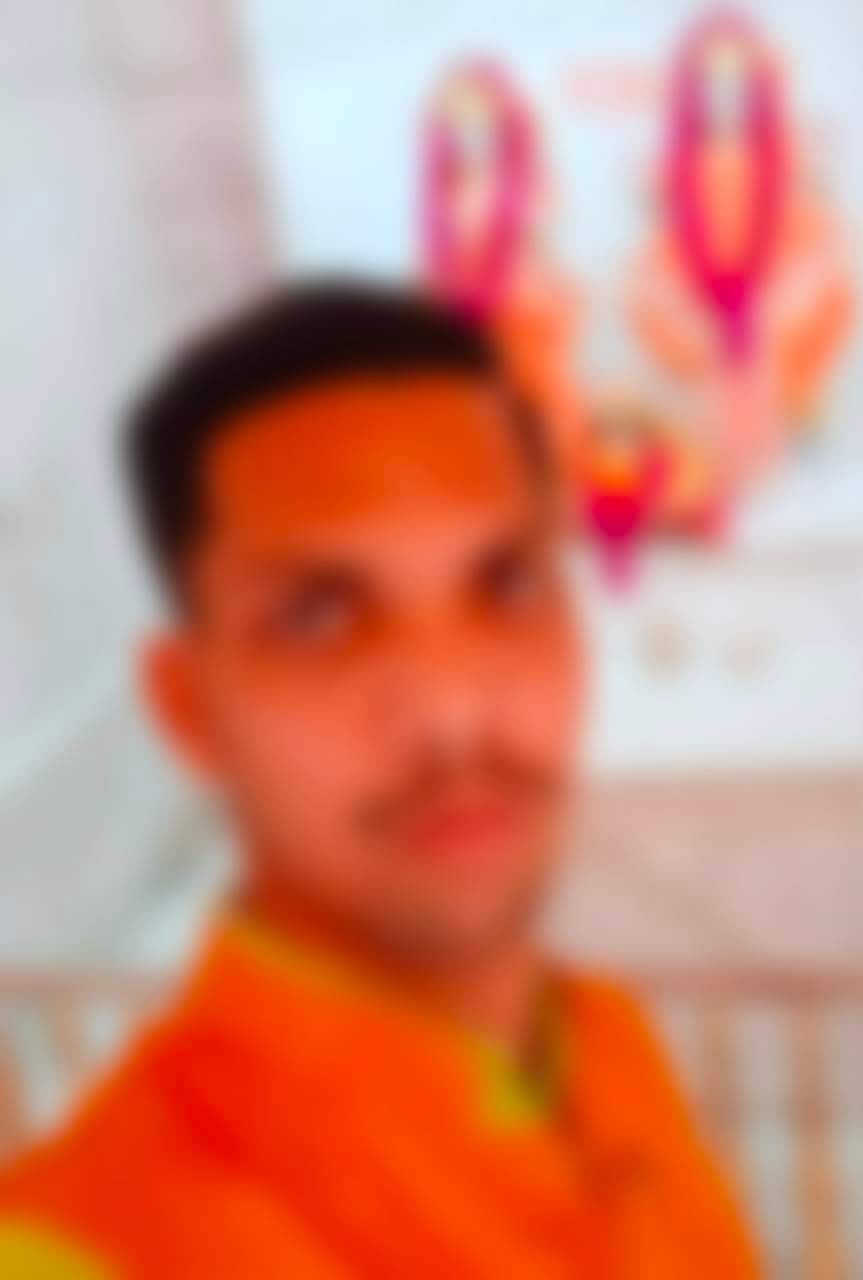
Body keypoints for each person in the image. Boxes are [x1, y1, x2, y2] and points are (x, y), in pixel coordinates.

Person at [0, 282, 758, 1277]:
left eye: (506, 581)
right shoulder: (88, 1241)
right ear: (189, 707)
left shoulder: (606, 1043)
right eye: (318, 614)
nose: (453, 712)